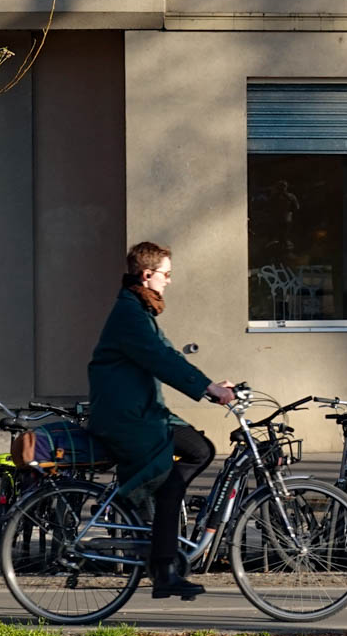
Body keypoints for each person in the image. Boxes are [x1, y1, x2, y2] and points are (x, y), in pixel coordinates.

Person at [87, 242, 236, 601]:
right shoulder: (130, 314)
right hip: (127, 418)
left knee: (198, 450)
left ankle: (161, 540)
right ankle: (163, 566)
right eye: (166, 274)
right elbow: (161, 361)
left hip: (141, 412)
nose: (169, 280)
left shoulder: (139, 310)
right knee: (180, 470)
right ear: (147, 275)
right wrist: (208, 388)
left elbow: (168, 353)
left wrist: (210, 385)